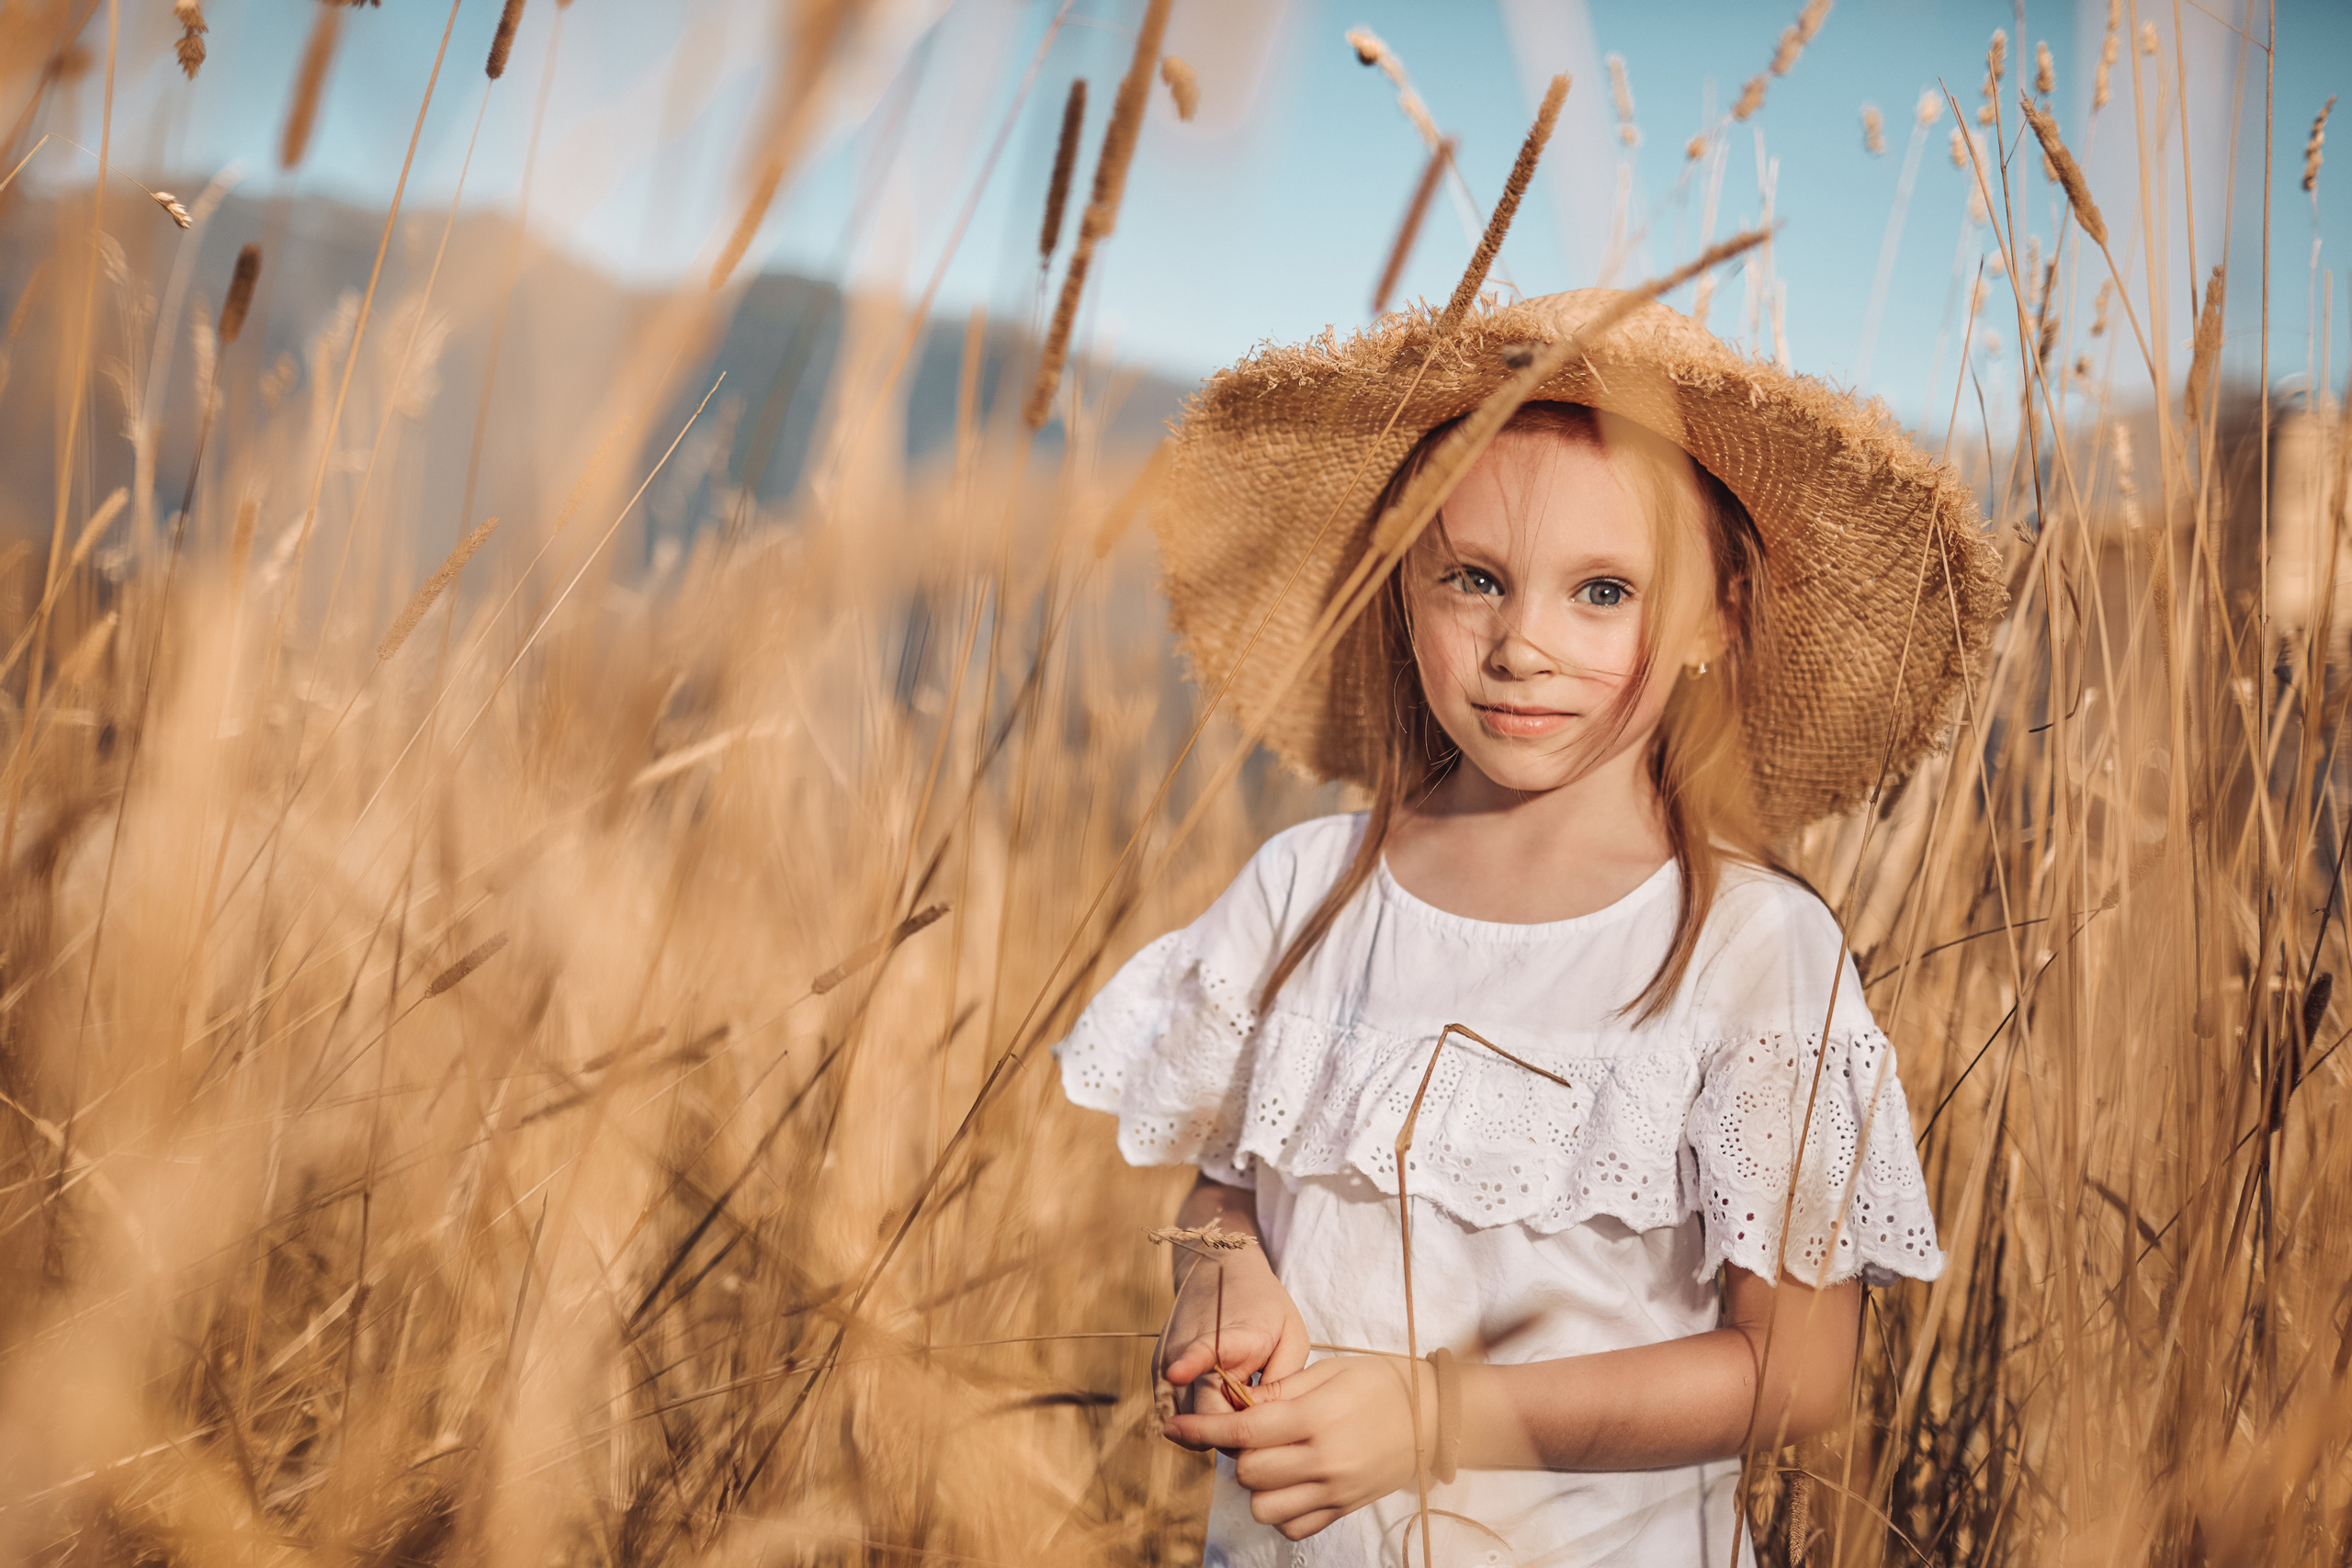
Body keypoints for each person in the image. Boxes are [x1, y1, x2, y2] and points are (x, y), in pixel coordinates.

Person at [1053, 289, 2006, 1566]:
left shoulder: (1752, 951)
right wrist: (1217, 1281)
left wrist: (1437, 1417)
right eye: (1477, 581)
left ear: (1716, 616)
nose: (1522, 646)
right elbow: (1224, 1188)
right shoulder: (1305, 890)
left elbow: (1798, 1371)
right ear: (1405, 587)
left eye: (1602, 591)